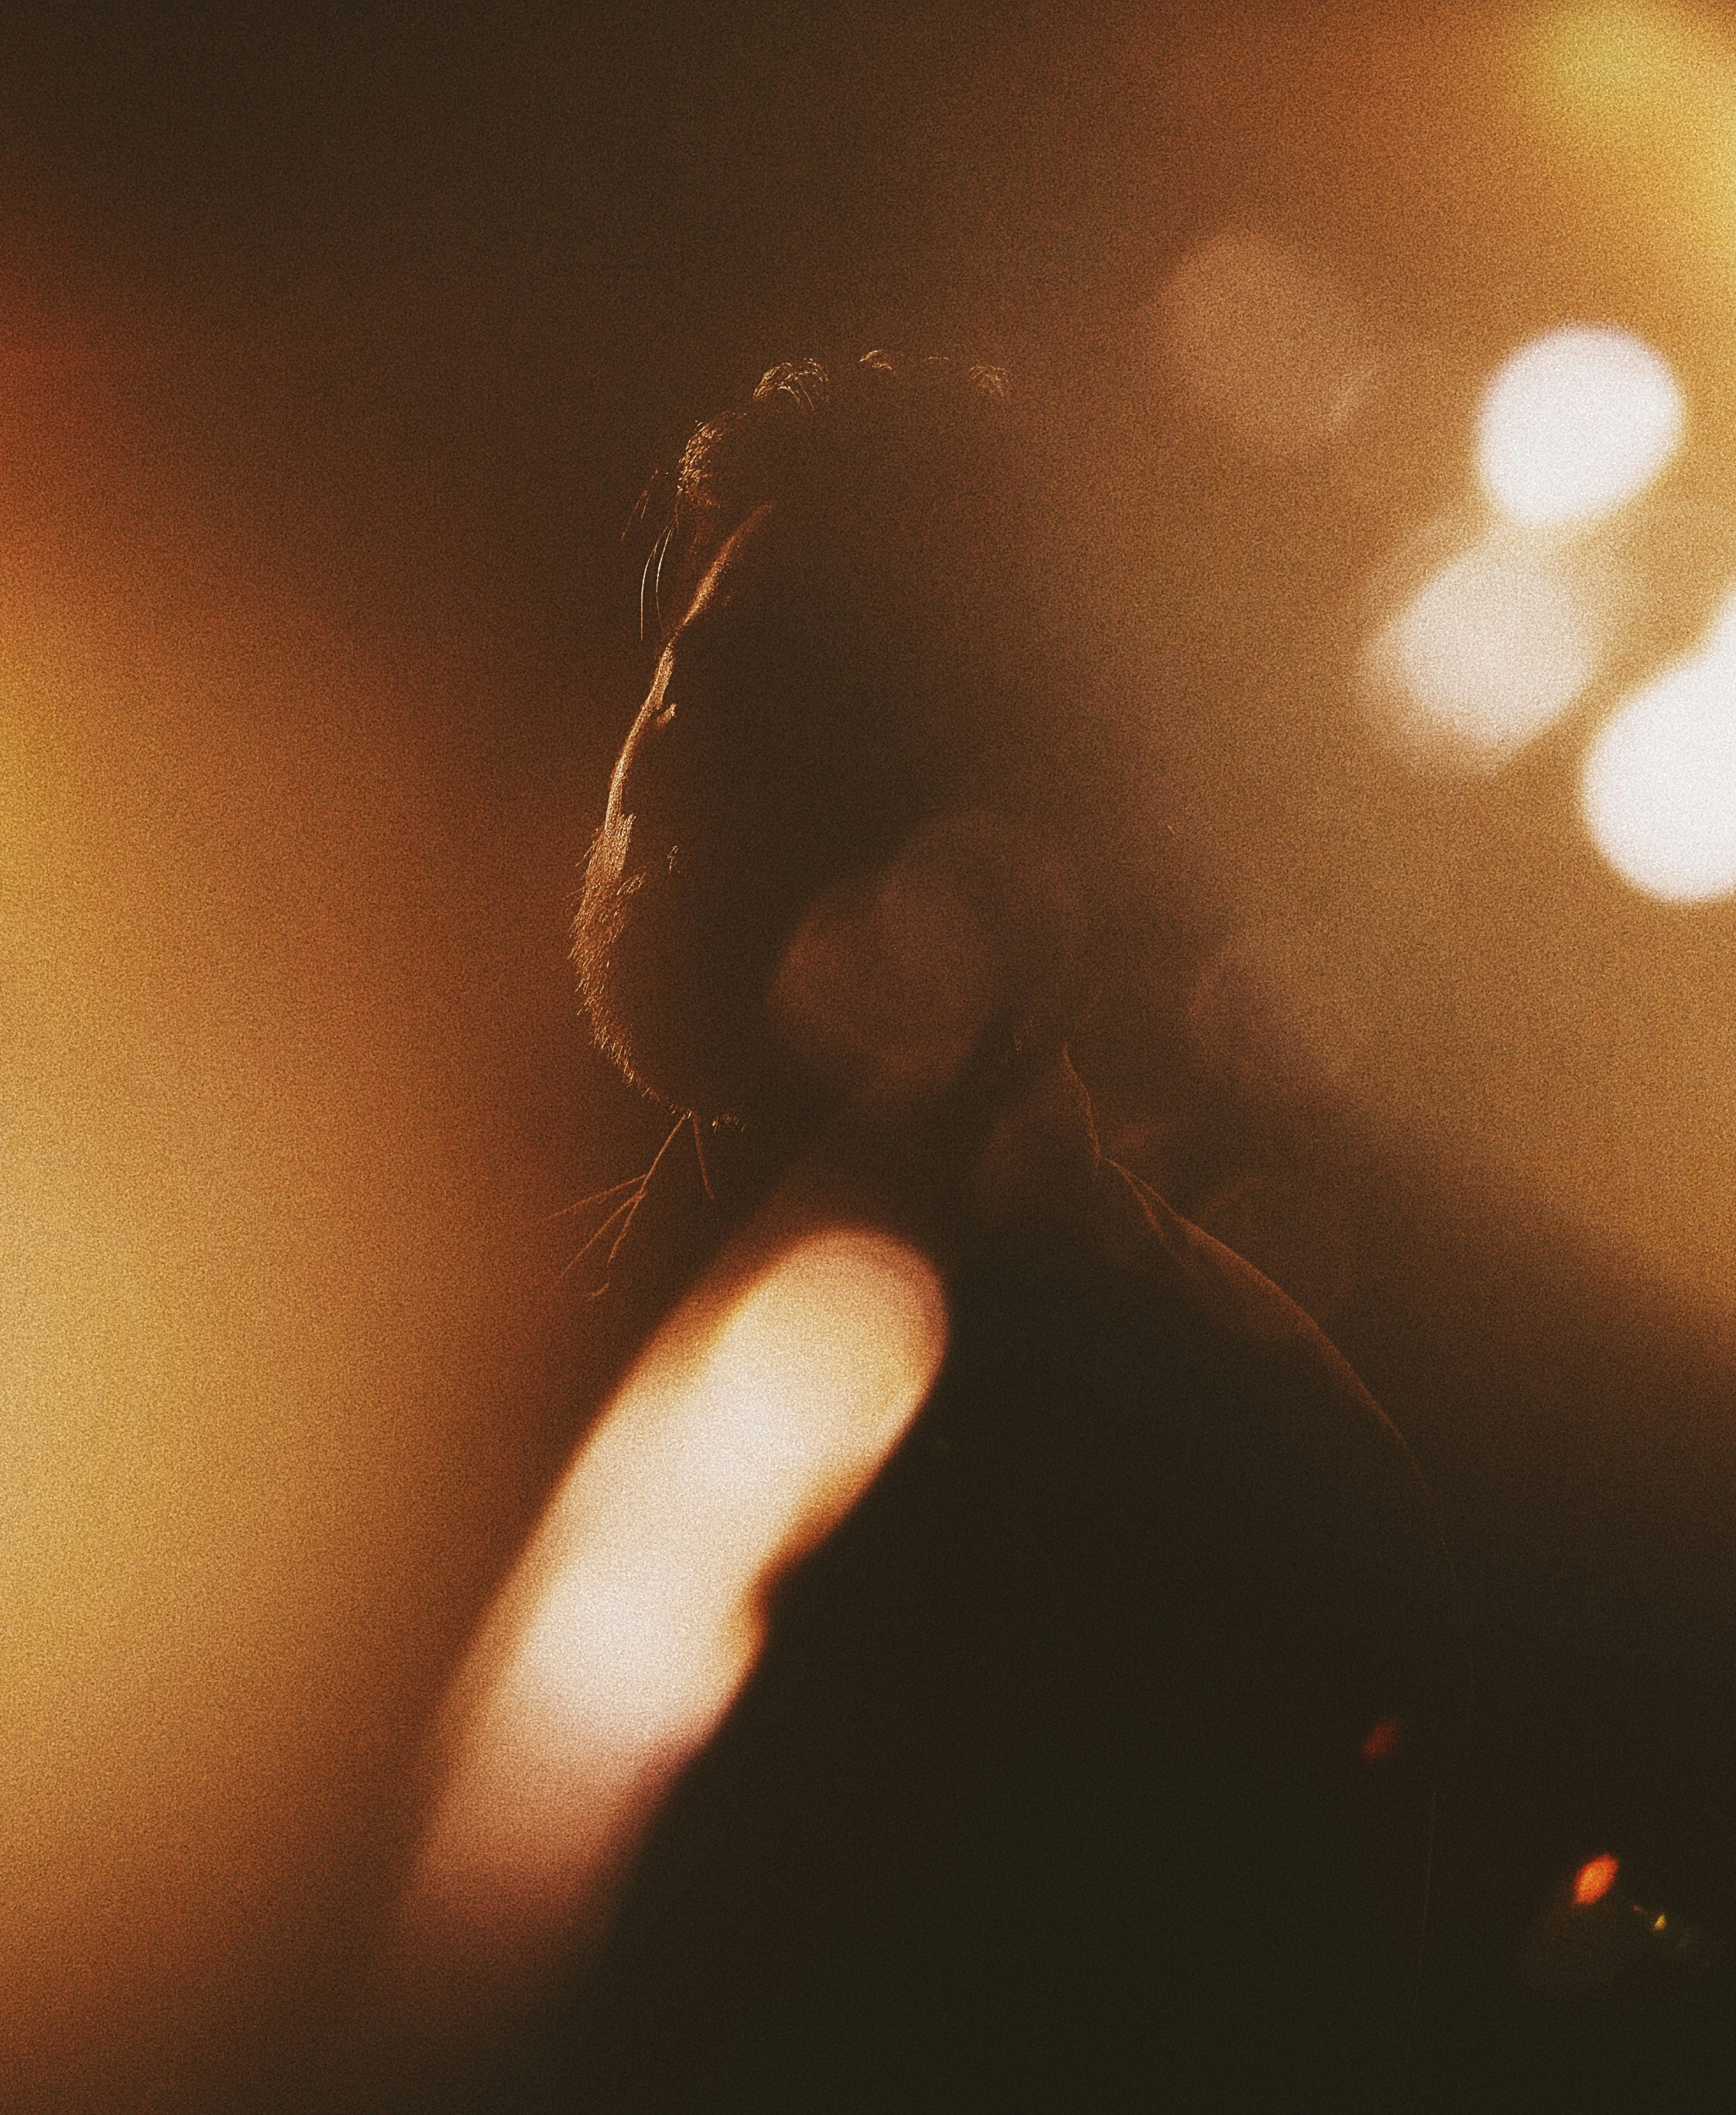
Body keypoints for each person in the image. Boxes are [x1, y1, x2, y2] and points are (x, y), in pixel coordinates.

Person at [388, 353, 1451, 2112]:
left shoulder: (1248, 1475)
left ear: (1018, 809)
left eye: (784, 692)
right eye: (685, 675)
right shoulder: (467, 1346)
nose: (665, 748)